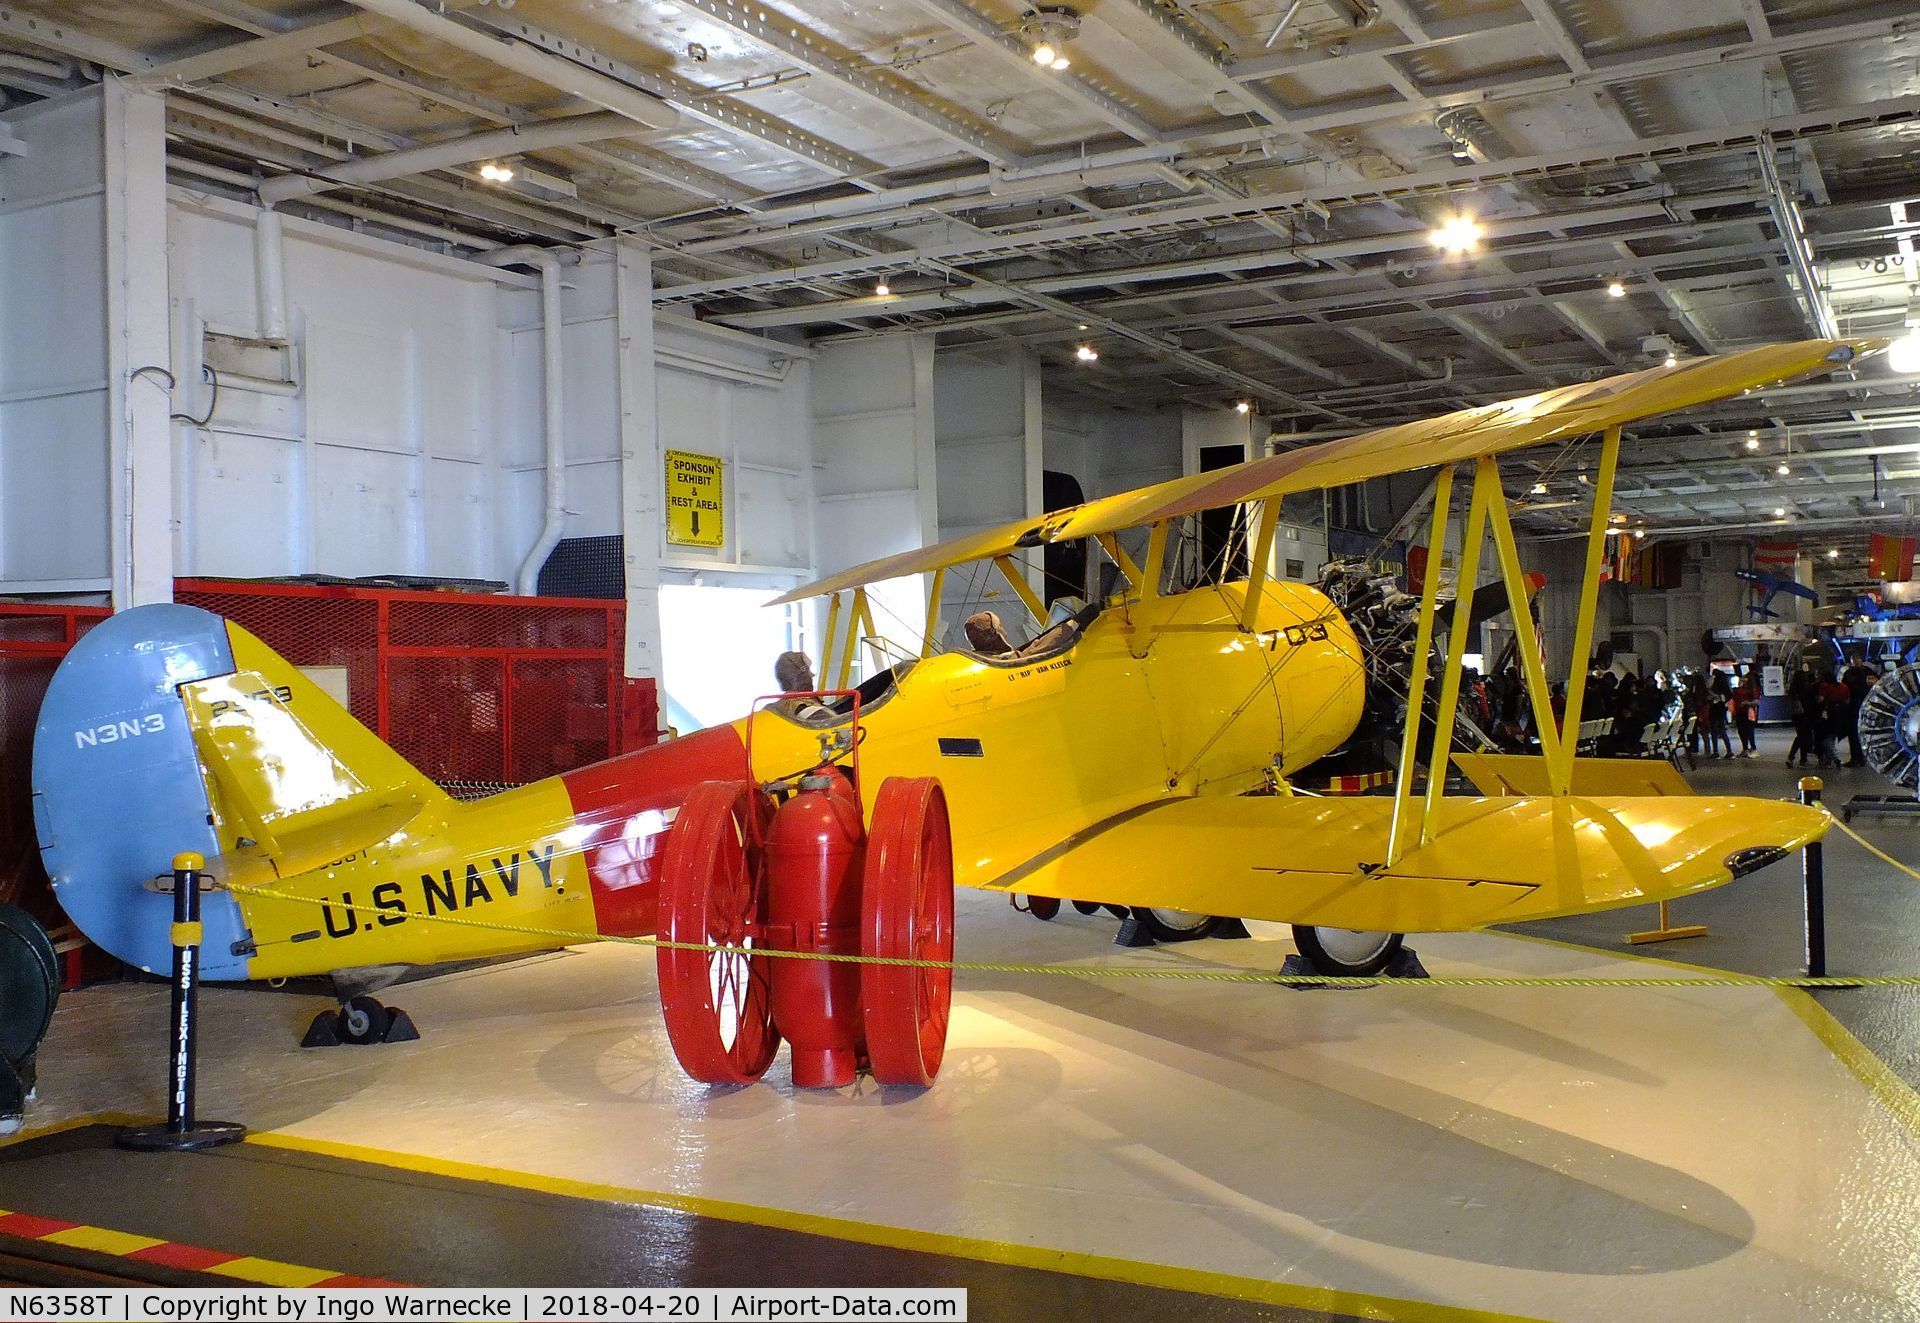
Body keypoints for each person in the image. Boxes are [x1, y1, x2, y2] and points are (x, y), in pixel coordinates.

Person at [1816, 667, 1853, 770]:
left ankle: (1834, 758)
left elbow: (1821, 700)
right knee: (1832, 737)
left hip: (1829, 714)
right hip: (1841, 714)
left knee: (1825, 738)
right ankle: (1829, 760)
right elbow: (1847, 701)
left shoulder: (1824, 686)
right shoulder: (1843, 686)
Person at [1843, 659, 1875, 767]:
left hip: (1853, 707)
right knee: (1860, 733)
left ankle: (1857, 758)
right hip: (1863, 706)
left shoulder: (1849, 674)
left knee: (1853, 734)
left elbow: (1845, 688)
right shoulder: (1867, 672)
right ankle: (1860, 758)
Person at [1786, 669, 1819, 768]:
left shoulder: (1793, 688)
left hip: (1796, 715)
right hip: (1805, 715)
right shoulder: (1806, 688)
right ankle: (1797, 758)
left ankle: (1798, 759)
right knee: (1803, 737)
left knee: (1801, 736)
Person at [1706, 670, 1734, 759]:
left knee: (1714, 731)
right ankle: (1729, 751)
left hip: (1714, 709)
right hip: (1722, 709)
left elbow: (1708, 694)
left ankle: (1715, 751)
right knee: (1722, 730)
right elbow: (1729, 696)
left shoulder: (1713, 686)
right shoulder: (1725, 686)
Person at [1731, 672, 1759, 757]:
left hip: (1748, 713)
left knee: (1749, 731)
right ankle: (1745, 748)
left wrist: (1748, 703)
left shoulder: (1752, 690)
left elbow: (1757, 702)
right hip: (1740, 712)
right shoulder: (1738, 690)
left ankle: (1753, 748)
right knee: (1741, 731)